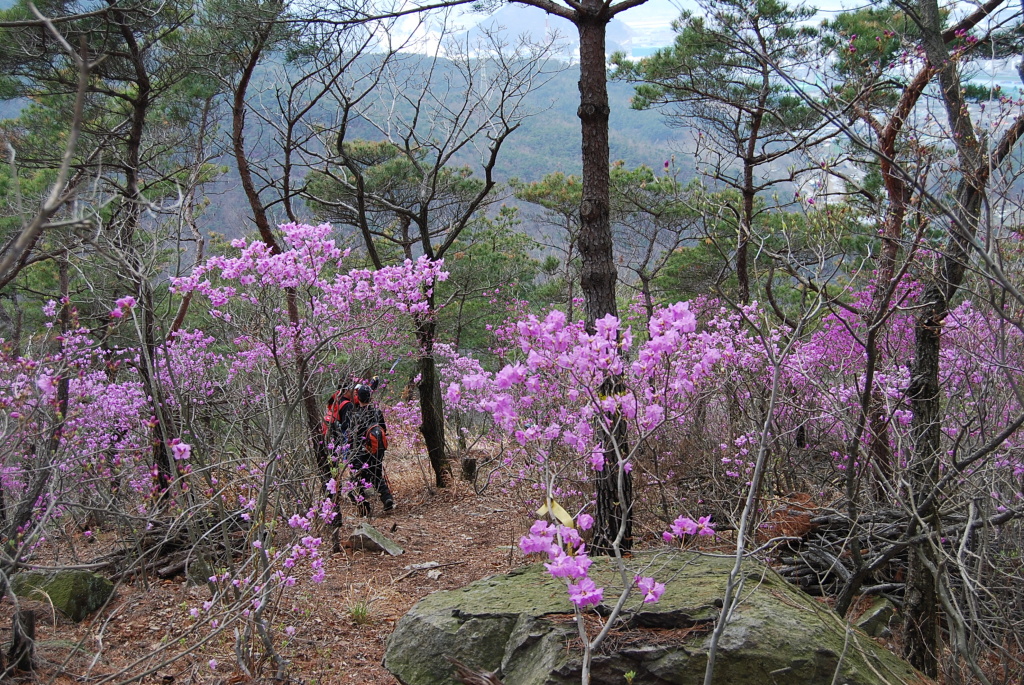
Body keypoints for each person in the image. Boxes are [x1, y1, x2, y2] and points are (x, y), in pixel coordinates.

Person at [345, 379, 394, 515]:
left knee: (356, 479)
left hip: (361, 453)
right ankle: (387, 498)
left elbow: (352, 436)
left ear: (358, 397)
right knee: (376, 475)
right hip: (377, 450)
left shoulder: (355, 415)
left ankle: (363, 508)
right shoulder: (377, 412)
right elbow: (383, 429)